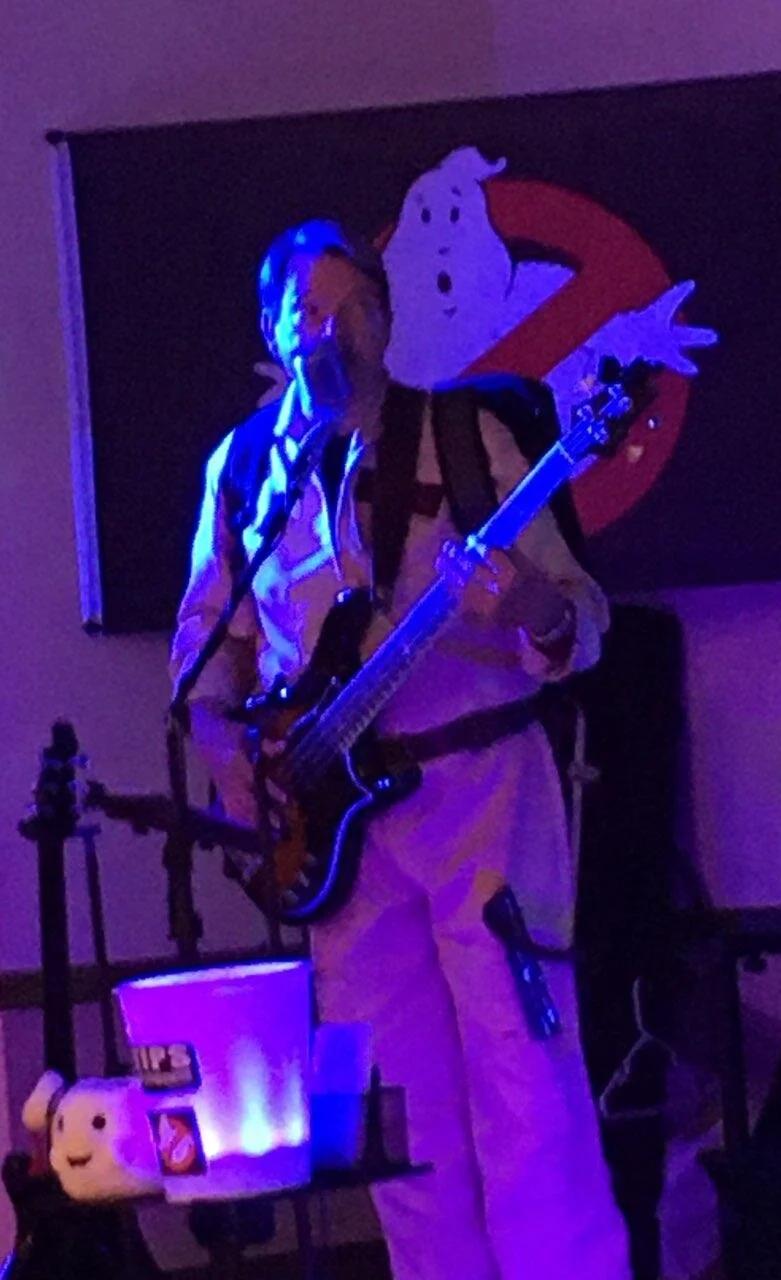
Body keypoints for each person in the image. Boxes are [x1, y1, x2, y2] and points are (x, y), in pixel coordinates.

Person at [170, 219, 632, 1280]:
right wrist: (228, 752)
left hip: (481, 796)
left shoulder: (469, 441)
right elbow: (206, 647)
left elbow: (582, 617)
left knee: (528, 1078)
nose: (329, 333)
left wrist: (524, 600)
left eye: (350, 310)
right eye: (307, 315)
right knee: (397, 1108)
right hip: (338, 830)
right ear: (271, 332)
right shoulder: (244, 470)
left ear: (387, 318)